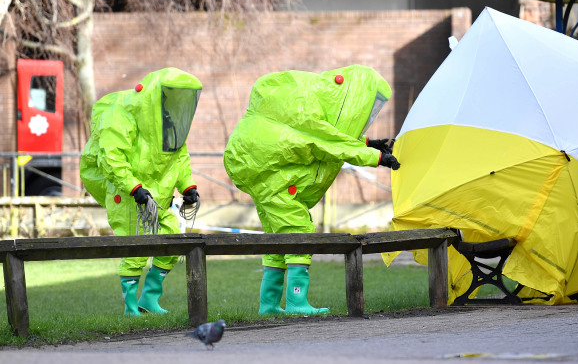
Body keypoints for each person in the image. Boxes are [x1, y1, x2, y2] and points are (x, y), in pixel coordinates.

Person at [223, 65, 400, 316]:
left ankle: (269, 306)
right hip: (272, 177)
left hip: (262, 172)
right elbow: (327, 141)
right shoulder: (309, 110)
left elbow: (331, 136)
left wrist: (371, 144)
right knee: (299, 231)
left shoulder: (308, 103)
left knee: (278, 239)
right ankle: (296, 302)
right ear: (354, 97)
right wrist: (377, 157)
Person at [80, 67, 203, 316]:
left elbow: (179, 158)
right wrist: (133, 187)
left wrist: (188, 186)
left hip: (156, 196)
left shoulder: (170, 122)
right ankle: (130, 307)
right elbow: (111, 157)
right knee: (136, 247)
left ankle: (149, 298)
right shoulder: (122, 115)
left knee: (173, 238)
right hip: (127, 195)